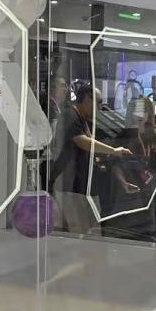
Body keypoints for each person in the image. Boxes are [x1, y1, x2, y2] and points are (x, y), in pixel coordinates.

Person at [48, 82, 132, 234]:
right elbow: (83, 142)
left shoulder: (84, 120)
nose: (100, 107)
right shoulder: (70, 115)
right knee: (80, 232)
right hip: (71, 187)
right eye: (98, 102)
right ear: (87, 99)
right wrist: (113, 151)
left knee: (92, 231)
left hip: (84, 188)